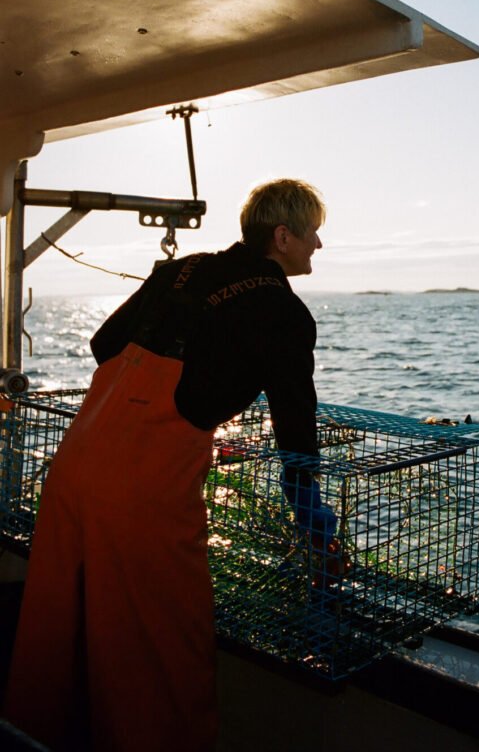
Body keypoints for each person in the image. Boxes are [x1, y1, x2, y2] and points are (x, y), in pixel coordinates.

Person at [3, 179, 333, 752]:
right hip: (143, 493)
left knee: (57, 629)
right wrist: (311, 517)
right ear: (282, 237)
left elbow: (105, 343)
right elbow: (296, 432)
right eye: (312, 234)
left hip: (75, 466)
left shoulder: (180, 271)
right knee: (163, 648)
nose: (318, 246)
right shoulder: (284, 311)